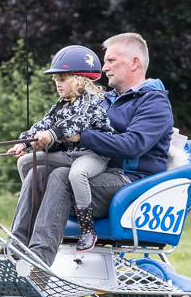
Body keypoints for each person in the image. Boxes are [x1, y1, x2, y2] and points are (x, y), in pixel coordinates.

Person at [9, 33, 174, 266]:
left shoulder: (153, 102)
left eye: (111, 61)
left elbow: (133, 145)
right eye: (105, 61)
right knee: (38, 168)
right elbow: (74, 137)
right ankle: (15, 249)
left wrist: (81, 136)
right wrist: (48, 141)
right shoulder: (104, 100)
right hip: (95, 172)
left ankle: (38, 261)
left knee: (61, 177)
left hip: (132, 184)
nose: (104, 67)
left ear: (135, 62)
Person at [6, 45, 114, 251]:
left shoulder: (91, 101)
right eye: (56, 80)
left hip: (94, 155)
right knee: (26, 161)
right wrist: (25, 142)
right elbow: (44, 124)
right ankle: (33, 210)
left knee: (77, 173)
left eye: (62, 79)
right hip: (71, 153)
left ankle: (88, 228)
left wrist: (53, 134)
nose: (58, 84)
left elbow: (76, 122)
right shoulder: (62, 103)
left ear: (79, 80)